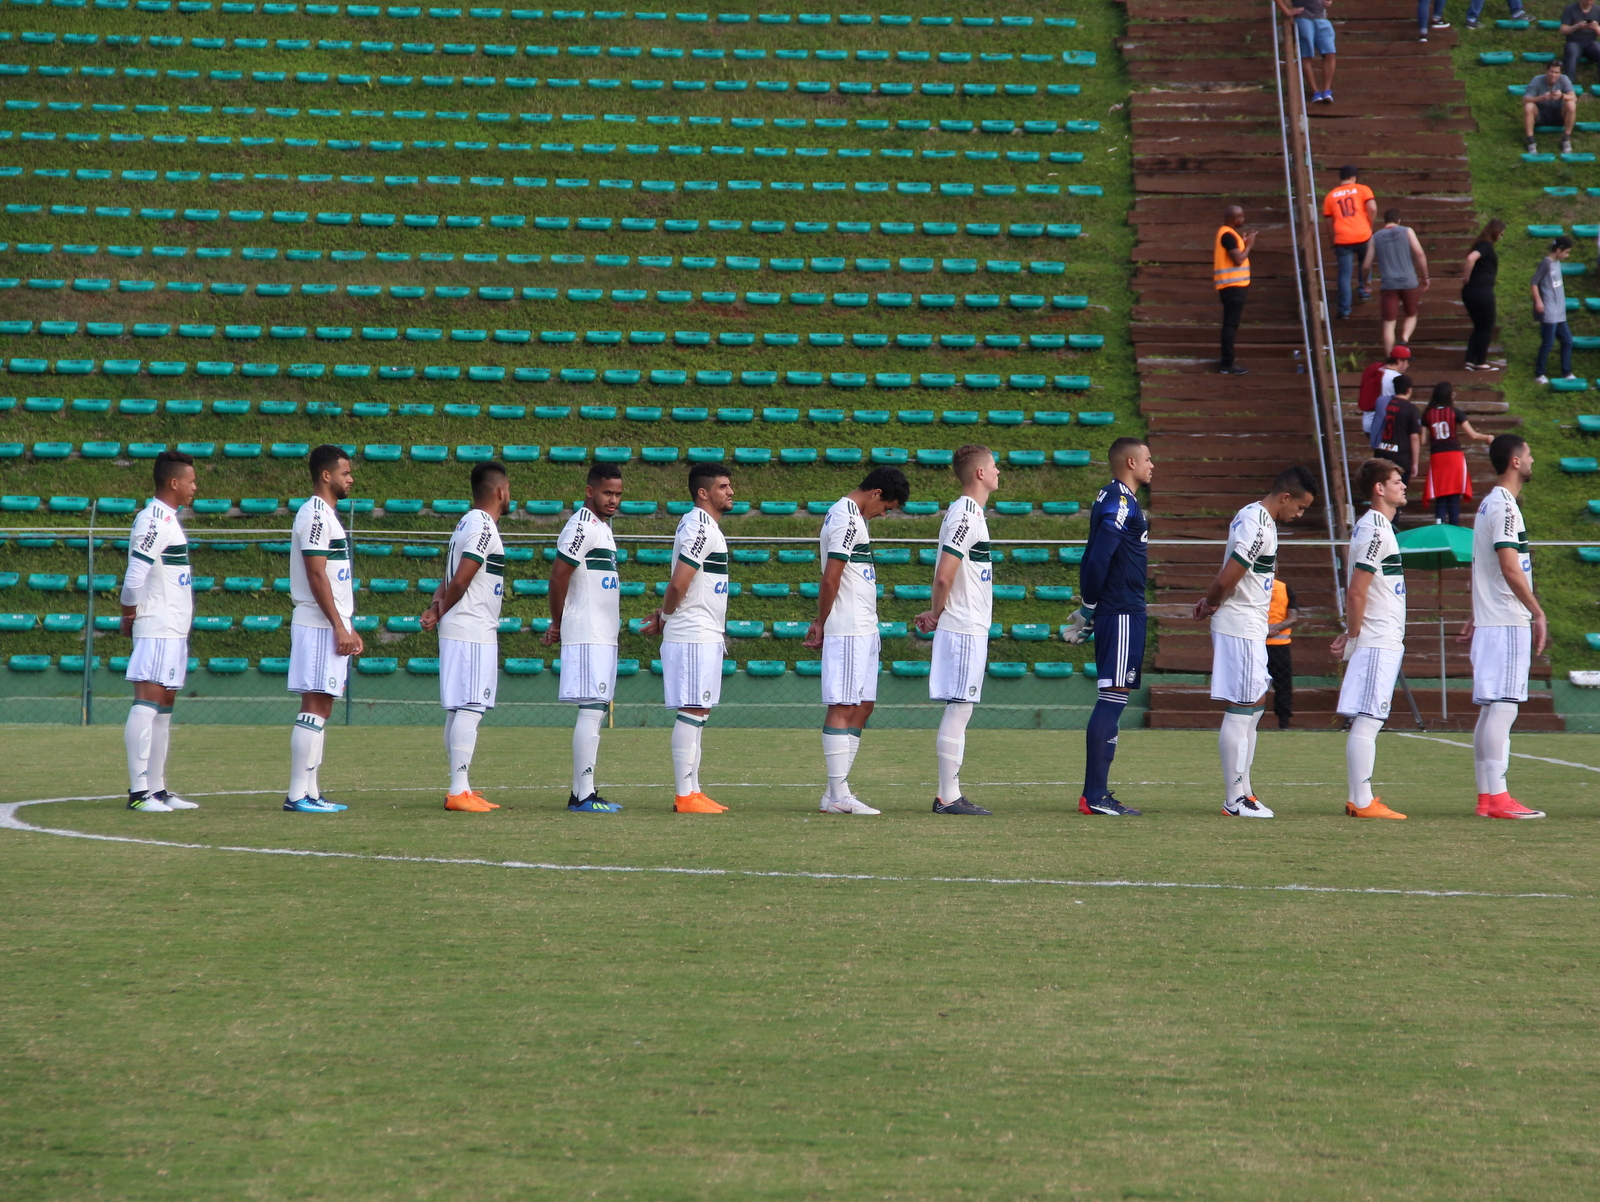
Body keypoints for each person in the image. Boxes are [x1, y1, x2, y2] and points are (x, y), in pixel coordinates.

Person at [1193, 466, 1318, 819]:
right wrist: (1211, 602)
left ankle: (1245, 791)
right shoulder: (1257, 523)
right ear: (1285, 497)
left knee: (1256, 703)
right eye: (1301, 507)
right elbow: (1229, 575)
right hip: (1241, 624)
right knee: (1243, 705)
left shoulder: (1259, 519)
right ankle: (1234, 799)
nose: (1300, 514)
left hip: (1251, 625)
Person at [801, 466, 911, 816]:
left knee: (863, 706)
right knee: (843, 706)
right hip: (848, 626)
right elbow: (830, 578)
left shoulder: (855, 519)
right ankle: (838, 795)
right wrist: (822, 621)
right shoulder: (846, 518)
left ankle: (834, 792)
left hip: (865, 627)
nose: (884, 514)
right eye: (886, 507)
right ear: (876, 493)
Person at [1065, 436, 1153, 817]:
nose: (1152, 465)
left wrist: (1091, 608)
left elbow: (1092, 555)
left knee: (1114, 696)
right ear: (1130, 462)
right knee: (1112, 698)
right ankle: (1095, 796)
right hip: (1121, 611)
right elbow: (1099, 556)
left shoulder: (1114, 497)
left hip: (1118, 609)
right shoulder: (1120, 501)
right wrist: (1090, 607)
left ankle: (1095, 794)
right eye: (1147, 459)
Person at [642, 462, 735, 815]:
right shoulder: (699, 526)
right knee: (692, 709)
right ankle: (684, 795)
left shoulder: (704, 526)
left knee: (700, 710)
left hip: (703, 630)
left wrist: (667, 615)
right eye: (723, 486)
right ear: (703, 492)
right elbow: (679, 582)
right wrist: (666, 617)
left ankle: (694, 789)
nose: (731, 491)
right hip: (693, 632)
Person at [1462, 436, 1547, 819]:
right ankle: (1498, 797)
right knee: (1504, 708)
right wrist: (1537, 611)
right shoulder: (1505, 507)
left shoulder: (1489, 504)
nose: (1532, 460)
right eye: (1528, 455)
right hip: (1506, 620)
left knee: (1492, 708)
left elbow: (1486, 568)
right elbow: (1509, 567)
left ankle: (1487, 797)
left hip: (1491, 619)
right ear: (1515, 461)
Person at [420, 460, 511, 815]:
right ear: (500, 491)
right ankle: (458, 789)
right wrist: (441, 608)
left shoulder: (465, 523)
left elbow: (450, 578)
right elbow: (461, 578)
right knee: (471, 706)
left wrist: (436, 607)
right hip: (472, 627)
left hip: (463, 625)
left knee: (460, 707)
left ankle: (462, 785)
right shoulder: (483, 525)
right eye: (508, 489)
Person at [915, 445, 1001, 816]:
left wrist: (936, 611)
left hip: (969, 624)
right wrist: (937, 613)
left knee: (961, 707)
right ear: (980, 473)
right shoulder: (965, 513)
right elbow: (944, 575)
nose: (998, 472)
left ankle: (949, 794)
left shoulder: (971, 513)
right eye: (994, 466)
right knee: (960, 707)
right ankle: (947, 796)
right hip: (963, 625)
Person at [1331, 460, 1412, 820]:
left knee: (1370, 718)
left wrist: (1352, 632)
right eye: (1396, 481)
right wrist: (1354, 636)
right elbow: (1356, 591)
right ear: (1379, 488)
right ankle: (1361, 801)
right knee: (1369, 719)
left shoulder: (1379, 528)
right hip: (1378, 638)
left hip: (1382, 636)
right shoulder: (1375, 529)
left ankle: (1360, 799)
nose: (1403, 486)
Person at [544, 461, 626, 813]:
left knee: (595, 709)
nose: (613, 500)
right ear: (590, 491)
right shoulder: (582, 525)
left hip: (603, 634)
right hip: (588, 632)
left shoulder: (602, 528)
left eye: (618, 494)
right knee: (591, 711)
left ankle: (582, 792)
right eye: (607, 493)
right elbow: (558, 575)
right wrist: (558, 621)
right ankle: (583, 796)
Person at [120, 450, 199, 813]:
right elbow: (134, 576)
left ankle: (157, 788)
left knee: (164, 707)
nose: (195, 487)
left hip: (173, 629)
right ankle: (138, 794)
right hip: (157, 626)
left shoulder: (168, 519)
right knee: (147, 703)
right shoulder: (152, 520)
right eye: (191, 481)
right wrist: (129, 613)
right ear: (174, 482)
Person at [285, 445, 362, 814]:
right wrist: (337, 626)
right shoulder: (315, 515)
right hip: (318, 624)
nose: (351, 479)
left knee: (322, 708)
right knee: (315, 706)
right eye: (345, 473)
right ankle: (297, 794)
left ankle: (311, 791)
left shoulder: (327, 516)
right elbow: (316, 574)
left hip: (328, 624)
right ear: (326, 475)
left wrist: (347, 625)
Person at [1421, 381, 1494, 524]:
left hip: (1437, 457)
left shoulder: (1427, 414)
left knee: (1440, 494)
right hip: (1454, 456)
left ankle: (1439, 526)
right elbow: (1472, 435)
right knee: (1454, 494)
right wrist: (1487, 437)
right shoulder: (1455, 412)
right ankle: (1454, 526)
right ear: (1449, 395)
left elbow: (1422, 440)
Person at [1363, 209, 1430, 354]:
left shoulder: (1375, 237)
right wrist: (1425, 276)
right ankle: (1404, 340)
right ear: (1399, 220)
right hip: (1409, 281)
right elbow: (1419, 253)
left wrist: (1366, 281)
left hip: (1389, 284)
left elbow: (1366, 265)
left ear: (1385, 221)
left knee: (1389, 324)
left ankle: (1389, 358)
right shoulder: (1407, 231)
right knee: (1411, 314)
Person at [1322, 165, 1377, 318]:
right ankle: (1364, 289)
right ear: (1354, 177)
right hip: (1362, 234)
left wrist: (1332, 241)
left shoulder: (1330, 196)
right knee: (1365, 263)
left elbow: (1329, 224)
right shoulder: (1363, 189)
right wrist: (1370, 224)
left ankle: (1344, 310)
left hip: (1342, 238)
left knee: (1344, 275)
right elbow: (1372, 208)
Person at [1214, 204, 1255, 375]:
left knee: (1230, 323)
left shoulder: (1228, 234)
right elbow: (1238, 260)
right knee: (1230, 324)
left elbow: (1235, 254)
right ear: (1234, 219)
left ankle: (1227, 362)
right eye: (1241, 216)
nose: (1243, 219)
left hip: (1232, 286)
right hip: (1233, 287)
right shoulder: (1228, 235)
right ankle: (1227, 363)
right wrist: (1249, 246)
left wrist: (1243, 245)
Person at [1461, 218, 1505, 371]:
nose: (1501, 237)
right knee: (1487, 326)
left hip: (1470, 292)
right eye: (1501, 234)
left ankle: (1470, 360)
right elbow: (1471, 258)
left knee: (1479, 326)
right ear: (1495, 232)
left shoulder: (1480, 244)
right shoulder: (1485, 246)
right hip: (1481, 291)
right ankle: (1481, 362)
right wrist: (1466, 277)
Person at [1532, 235, 1576, 384]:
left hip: (1559, 312)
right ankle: (1539, 374)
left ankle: (1566, 372)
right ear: (1558, 250)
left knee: (1567, 341)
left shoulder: (1557, 263)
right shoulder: (1546, 263)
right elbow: (1534, 282)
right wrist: (1538, 301)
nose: (1567, 255)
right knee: (1548, 343)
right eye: (1566, 252)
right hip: (1549, 312)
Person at [1276, 0, 1336, 102]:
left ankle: (1327, 90)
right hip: (1303, 18)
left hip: (1322, 17)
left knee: (1330, 52)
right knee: (1306, 55)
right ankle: (1315, 91)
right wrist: (1287, 11)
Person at [1373, 374, 1423, 486]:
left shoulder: (1383, 404)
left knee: (1381, 489)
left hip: (1381, 453)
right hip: (1401, 458)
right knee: (1398, 491)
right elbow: (1414, 437)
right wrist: (1415, 463)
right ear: (1409, 390)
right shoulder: (1411, 409)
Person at [1523, 61, 1578, 154]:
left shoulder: (1564, 79)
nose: (1554, 75)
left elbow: (1574, 98)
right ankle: (1531, 141)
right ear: (1547, 71)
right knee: (1528, 106)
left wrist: (1561, 96)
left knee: (1571, 104)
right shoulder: (1537, 80)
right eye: (1551, 72)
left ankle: (1566, 139)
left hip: (1559, 113)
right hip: (1541, 114)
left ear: (1560, 73)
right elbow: (1525, 99)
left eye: (1556, 72)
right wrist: (1542, 98)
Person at [1357, 344, 1411, 437]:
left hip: (1368, 423)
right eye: (1407, 362)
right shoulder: (1396, 378)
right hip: (1384, 426)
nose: (1408, 365)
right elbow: (1398, 404)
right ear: (1399, 361)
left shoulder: (1377, 369)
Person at [1265, 578, 1299, 730]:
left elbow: (1293, 618)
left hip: (1259, 644)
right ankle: (1283, 723)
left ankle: (1249, 720)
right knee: (1283, 686)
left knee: (1254, 683)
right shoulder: (1284, 588)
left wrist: (1268, 630)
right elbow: (1292, 618)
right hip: (1279, 646)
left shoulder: (1251, 586)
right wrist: (1275, 629)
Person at [1561, 0, 1600, 84]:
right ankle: (1569, 83)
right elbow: (1563, 30)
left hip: (1591, 42)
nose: (1589, 2)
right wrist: (1577, 26)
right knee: (1572, 54)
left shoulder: (1598, 10)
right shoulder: (1570, 9)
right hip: (1574, 41)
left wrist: (1596, 28)